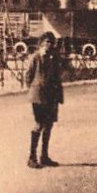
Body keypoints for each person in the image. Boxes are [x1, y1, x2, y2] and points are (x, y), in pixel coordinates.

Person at [25, 31, 64, 168]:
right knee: (39, 124)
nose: (49, 45)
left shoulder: (54, 57)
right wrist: (35, 90)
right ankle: (32, 157)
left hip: (52, 96)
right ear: (41, 43)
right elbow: (28, 76)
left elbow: (57, 76)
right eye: (47, 42)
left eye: (51, 42)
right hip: (39, 96)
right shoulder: (36, 57)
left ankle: (44, 156)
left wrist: (58, 94)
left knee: (49, 125)